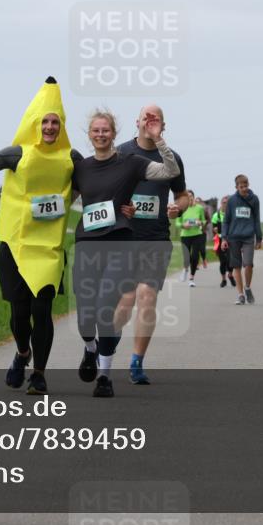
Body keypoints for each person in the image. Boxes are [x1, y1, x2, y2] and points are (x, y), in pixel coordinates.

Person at [0, 77, 78, 396]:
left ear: (62, 124)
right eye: (45, 121)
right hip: (15, 246)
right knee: (19, 315)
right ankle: (22, 352)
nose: (50, 126)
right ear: (35, 123)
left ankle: (39, 373)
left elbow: (96, 182)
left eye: (56, 121)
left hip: (48, 249)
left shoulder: (71, 158)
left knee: (42, 312)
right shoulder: (19, 153)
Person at [73, 109, 179, 397]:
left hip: (123, 241)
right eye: (96, 130)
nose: (101, 135)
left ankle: (108, 375)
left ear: (114, 132)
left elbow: (170, 172)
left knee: (112, 303)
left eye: (105, 130)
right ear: (89, 134)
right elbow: (61, 200)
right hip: (87, 243)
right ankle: (91, 347)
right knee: (86, 311)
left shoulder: (130, 162)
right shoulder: (81, 167)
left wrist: (159, 140)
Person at [113, 105, 188, 386]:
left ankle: (136, 362)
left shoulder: (172, 158)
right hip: (125, 237)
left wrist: (177, 208)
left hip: (156, 238)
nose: (151, 122)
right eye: (147, 117)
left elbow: (182, 196)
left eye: (156, 119)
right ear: (138, 122)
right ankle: (107, 346)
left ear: (163, 125)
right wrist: (120, 208)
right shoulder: (121, 152)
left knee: (147, 296)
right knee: (125, 301)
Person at [221, 174, 263, 305]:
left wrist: (259, 238)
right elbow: (226, 221)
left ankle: (248, 287)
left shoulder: (254, 199)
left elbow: (256, 219)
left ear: (248, 185)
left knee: (248, 263)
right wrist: (224, 238)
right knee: (236, 266)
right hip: (233, 237)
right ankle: (240, 295)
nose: (244, 188)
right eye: (241, 187)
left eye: (246, 186)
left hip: (248, 237)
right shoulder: (232, 201)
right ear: (236, 187)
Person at [176, 190, 207, 287]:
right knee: (186, 256)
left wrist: (200, 223)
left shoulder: (200, 208)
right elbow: (177, 223)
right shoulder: (181, 208)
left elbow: (204, 220)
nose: (189, 197)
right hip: (185, 235)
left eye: (191, 196)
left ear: (193, 197)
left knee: (194, 256)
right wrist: (183, 225)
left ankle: (191, 278)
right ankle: (185, 269)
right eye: (187, 196)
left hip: (197, 234)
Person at [212, 195, 236, 288]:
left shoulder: (233, 214)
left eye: (227, 203)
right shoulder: (216, 215)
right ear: (221, 203)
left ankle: (230, 274)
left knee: (230, 260)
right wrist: (215, 230)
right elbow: (214, 229)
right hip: (220, 239)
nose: (225, 204)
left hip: (231, 239)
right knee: (222, 261)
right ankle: (223, 279)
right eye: (224, 202)